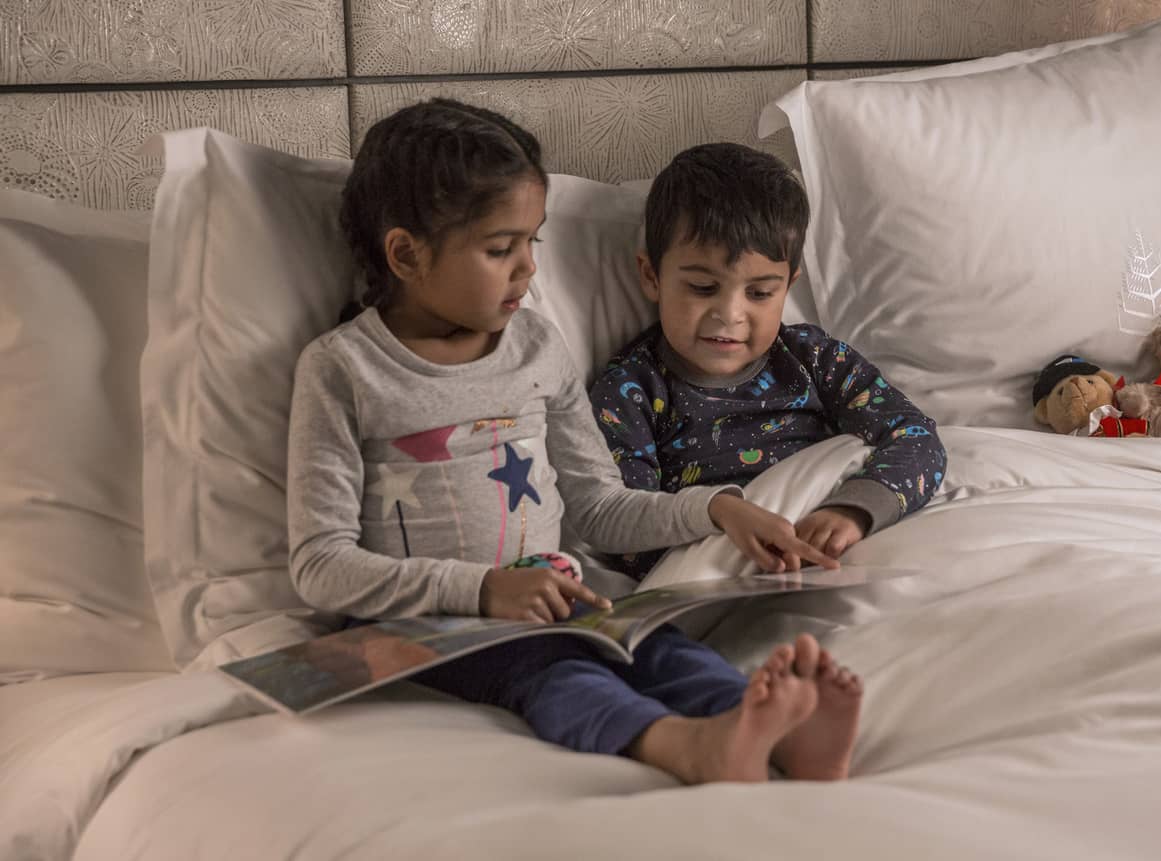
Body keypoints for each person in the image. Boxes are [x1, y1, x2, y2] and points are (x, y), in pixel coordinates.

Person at [286, 99, 860, 783]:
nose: (528, 269)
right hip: (428, 625)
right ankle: (685, 747)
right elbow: (319, 565)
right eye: (501, 249)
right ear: (407, 253)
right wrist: (484, 590)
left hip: (557, 595)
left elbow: (597, 505)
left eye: (533, 241)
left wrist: (714, 508)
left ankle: (775, 734)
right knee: (555, 673)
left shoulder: (536, 346)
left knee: (660, 650)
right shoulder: (344, 369)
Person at [590, 143, 947, 577]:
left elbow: (917, 438)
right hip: (725, 566)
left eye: (759, 293)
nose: (730, 315)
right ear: (652, 277)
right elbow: (622, 526)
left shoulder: (814, 359)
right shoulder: (631, 391)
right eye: (703, 287)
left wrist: (853, 512)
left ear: (787, 287)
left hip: (830, 550)